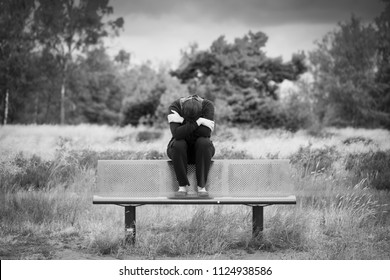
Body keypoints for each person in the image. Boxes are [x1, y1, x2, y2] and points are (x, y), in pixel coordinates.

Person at [166, 81, 215, 198]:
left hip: (202, 152)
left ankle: (201, 187)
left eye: (197, 118)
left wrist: (183, 123)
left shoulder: (207, 106)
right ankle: (181, 187)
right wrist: (199, 122)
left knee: (204, 142)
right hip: (178, 152)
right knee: (179, 143)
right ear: (183, 111)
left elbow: (206, 132)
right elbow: (177, 134)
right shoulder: (175, 107)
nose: (192, 120)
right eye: (187, 118)